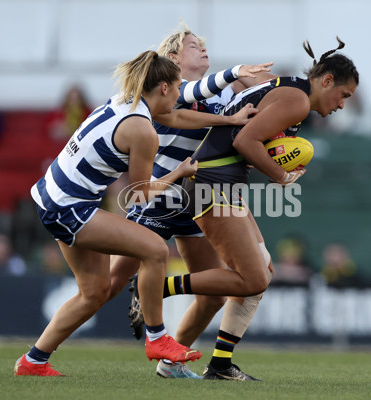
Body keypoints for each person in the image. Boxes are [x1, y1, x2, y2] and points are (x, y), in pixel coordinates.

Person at [14, 49, 258, 377]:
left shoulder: (127, 101)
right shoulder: (142, 130)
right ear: (164, 89)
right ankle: (157, 338)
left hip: (53, 196)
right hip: (70, 206)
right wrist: (178, 173)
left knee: (96, 292)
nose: (179, 97)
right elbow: (139, 193)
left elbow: (175, 117)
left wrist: (229, 120)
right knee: (155, 250)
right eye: (177, 89)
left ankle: (33, 361)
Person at [159, 37, 357, 353]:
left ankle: (217, 362)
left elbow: (245, 138)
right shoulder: (299, 101)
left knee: (263, 271)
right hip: (212, 182)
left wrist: (274, 158)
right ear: (327, 80)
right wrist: (281, 175)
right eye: (343, 95)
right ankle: (161, 286)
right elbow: (244, 141)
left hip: (219, 181)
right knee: (253, 280)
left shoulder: (289, 87)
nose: (342, 104)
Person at [105, 25, 275, 380]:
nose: (202, 49)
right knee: (107, 286)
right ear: (173, 59)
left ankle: (171, 363)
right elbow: (194, 91)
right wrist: (235, 75)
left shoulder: (219, 98)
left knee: (213, 294)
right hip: (159, 197)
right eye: (193, 45)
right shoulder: (168, 90)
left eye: (203, 45)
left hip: (198, 201)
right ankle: (39, 354)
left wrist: (265, 87)